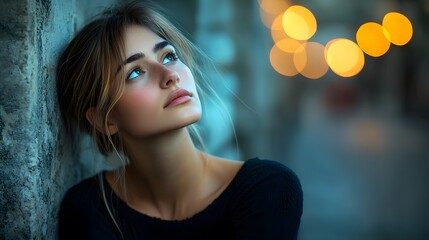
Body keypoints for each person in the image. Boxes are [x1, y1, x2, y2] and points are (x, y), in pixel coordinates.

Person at [57, 1, 303, 239]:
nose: (170, 75)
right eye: (135, 72)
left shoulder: (268, 189)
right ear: (104, 119)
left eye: (168, 56)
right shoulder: (88, 210)